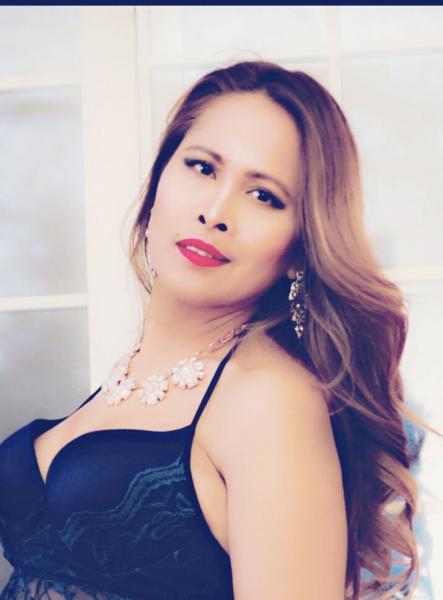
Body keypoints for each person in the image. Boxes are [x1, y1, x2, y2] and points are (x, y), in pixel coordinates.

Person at [0, 59, 426, 600]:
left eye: (264, 196)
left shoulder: (268, 400)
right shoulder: (138, 373)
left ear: (300, 247)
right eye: (202, 168)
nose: (216, 211)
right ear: (159, 180)